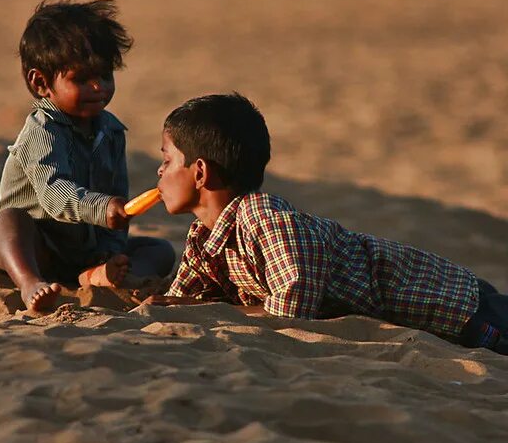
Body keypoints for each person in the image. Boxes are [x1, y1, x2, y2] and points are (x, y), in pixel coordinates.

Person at [143, 93, 508, 354]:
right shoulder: (203, 237)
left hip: (466, 309)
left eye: (168, 160)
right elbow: (185, 299)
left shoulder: (266, 218)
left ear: (201, 172)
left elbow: (292, 308)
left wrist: (207, 310)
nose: (159, 172)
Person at [0, 0, 175, 311]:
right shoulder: (42, 131)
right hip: (37, 245)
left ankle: (101, 275)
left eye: (106, 76)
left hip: (83, 249)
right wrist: (102, 208)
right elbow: (54, 194)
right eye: (83, 80)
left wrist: (111, 252)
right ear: (41, 82)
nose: (99, 88)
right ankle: (30, 282)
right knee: (9, 221)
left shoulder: (110, 131)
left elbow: (117, 197)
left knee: (160, 250)